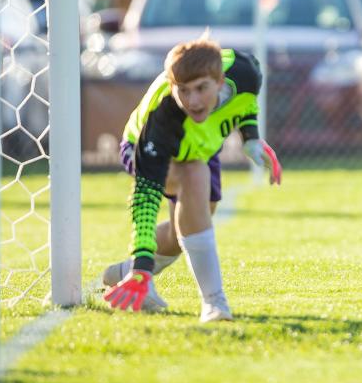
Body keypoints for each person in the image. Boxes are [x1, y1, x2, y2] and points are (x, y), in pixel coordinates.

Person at [102, 37, 282, 320]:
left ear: (221, 81)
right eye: (183, 91)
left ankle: (121, 272)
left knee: (180, 236)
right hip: (144, 147)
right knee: (194, 172)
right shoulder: (162, 117)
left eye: (201, 88)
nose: (193, 100)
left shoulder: (247, 71)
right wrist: (142, 266)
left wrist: (250, 139)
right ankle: (215, 303)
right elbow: (145, 200)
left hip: (200, 146)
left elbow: (246, 104)